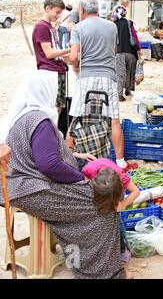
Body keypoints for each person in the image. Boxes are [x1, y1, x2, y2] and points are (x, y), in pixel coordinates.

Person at [0, 70, 125, 279]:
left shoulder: (26, 113)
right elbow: (49, 165)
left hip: (22, 185)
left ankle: (90, 258)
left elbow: (41, 154)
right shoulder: (41, 121)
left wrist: (74, 155)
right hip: (31, 190)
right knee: (102, 202)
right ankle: (99, 270)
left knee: (96, 196)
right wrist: (81, 179)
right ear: (46, 92)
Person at [69, 0, 128, 170]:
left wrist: (76, 65)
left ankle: (68, 157)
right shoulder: (112, 26)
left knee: (76, 117)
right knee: (114, 119)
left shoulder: (78, 28)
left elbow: (73, 57)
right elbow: (115, 50)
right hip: (109, 77)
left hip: (86, 77)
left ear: (81, 10)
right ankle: (120, 161)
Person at [81, 158, 141, 279]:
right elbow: (84, 186)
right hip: (100, 190)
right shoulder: (88, 171)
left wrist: (122, 204)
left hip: (115, 193)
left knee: (116, 221)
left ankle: (123, 249)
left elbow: (136, 191)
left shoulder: (122, 178)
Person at [32, 0, 71, 116]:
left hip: (57, 70)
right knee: (53, 109)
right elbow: (49, 53)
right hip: (50, 72)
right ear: (47, 8)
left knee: (58, 108)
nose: (58, 15)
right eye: (57, 12)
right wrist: (69, 50)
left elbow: (54, 50)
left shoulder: (49, 26)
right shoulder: (41, 26)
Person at [112, 5, 142, 101]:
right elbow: (135, 36)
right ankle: (128, 90)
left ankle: (119, 94)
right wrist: (139, 49)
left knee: (120, 73)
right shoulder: (129, 23)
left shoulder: (113, 25)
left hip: (119, 52)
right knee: (130, 71)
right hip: (131, 52)